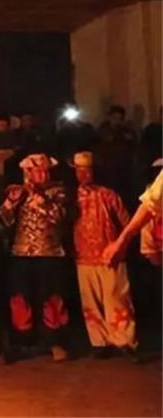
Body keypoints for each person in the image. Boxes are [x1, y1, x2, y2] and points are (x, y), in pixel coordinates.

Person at [0, 154, 71, 362]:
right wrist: (11, 203)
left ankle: (56, 342)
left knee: (52, 300)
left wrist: (42, 200)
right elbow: (4, 220)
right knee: (20, 300)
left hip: (50, 253)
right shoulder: (18, 192)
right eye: (37, 171)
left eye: (45, 170)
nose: (43, 174)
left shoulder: (58, 191)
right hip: (21, 254)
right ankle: (22, 342)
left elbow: (60, 217)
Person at [68, 152, 137, 359]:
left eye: (87, 169)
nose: (83, 174)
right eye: (79, 170)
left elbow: (127, 223)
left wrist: (121, 247)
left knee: (117, 299)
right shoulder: (71, 197)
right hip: (83, 256)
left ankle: (125, 341)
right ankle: (100, 342)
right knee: (91, 302)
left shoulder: (108, 195)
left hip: (110, 256)